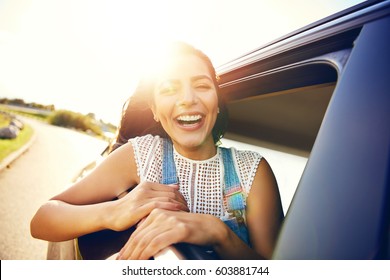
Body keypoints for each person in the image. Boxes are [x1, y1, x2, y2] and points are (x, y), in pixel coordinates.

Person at [30, 42, 284, 260]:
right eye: (169, 89)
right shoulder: (142, 155)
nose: (187, 99)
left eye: (202, 86)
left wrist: (220, 234)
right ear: (154, 108)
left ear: (217, 103)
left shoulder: (252, 170)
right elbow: (42, 220)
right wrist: (114, 212)